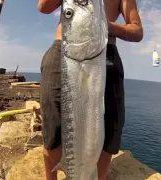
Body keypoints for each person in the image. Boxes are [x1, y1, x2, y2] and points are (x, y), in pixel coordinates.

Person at [37, 0, 143, 179]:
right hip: (64, 49)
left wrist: (103, 26)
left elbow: (137, 31)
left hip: (106, 53)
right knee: (53, 124)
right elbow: (43, 7)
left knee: (109, 124)